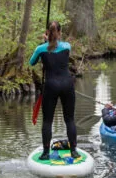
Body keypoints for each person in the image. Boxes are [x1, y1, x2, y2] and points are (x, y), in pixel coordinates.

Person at [29, 21, 79, 159]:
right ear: (60, 32)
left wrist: (44, 44)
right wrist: (49, 42)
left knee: (47, 121)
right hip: (67, 84)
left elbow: (32, 62)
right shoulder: (67, 46)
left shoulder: (40, 49)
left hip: (50, 86)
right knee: (69, 119)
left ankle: (46, 153)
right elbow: (58, 50)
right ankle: (73, 151)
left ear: (47, 33)